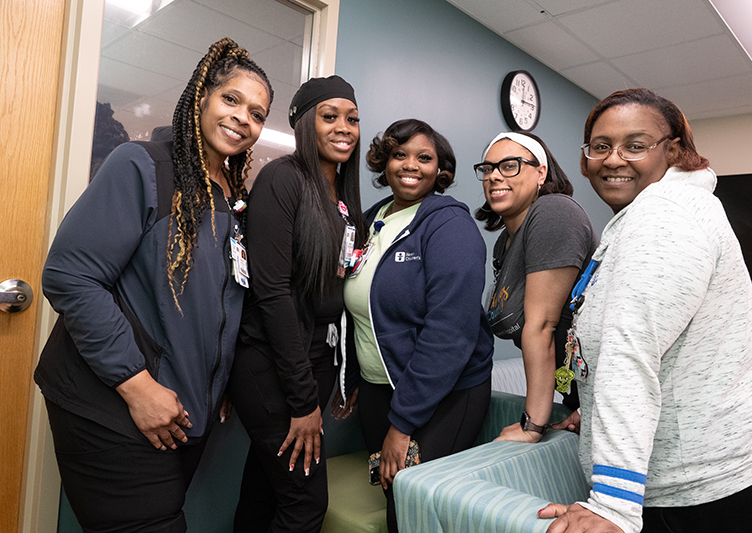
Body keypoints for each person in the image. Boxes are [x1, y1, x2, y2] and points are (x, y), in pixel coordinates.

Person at [34, 38, 272, 532]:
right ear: (202, 97)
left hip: (181, 417)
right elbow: (70, 275)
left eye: (257, 112)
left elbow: (217, 302)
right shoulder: (143, 166)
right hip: (115, 407)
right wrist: (138, 386)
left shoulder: (233, 197)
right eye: (231, 99)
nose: (243, 118)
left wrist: (216, 377)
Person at [538, 88, 752, 533]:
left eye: (635, 146)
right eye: (601, 147)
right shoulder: (658, 212)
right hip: (746, 459)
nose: (614, 159)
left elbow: (630, 353)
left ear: (674, 150)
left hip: (710, 487)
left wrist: (612, 507)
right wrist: (600, 409)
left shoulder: (663, 214)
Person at [338, 118, 494, 533]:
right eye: (399, 155)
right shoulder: (370, 221)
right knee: (390, 488)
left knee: (411, 503)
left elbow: (450, 332)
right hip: (379, 390)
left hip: (444, 394)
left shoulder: (449, 226)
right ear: (384, 164)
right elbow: (359, 311)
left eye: (424, 158)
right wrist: (354, 377)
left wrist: (403, 424)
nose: (411, 165)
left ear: (440, 169)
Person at [227, 75, 367, 532]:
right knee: (306, 503)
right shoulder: (282, 179)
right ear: (306, 124)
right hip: (271, 364)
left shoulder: (343, 198)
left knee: (266, 489)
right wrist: (304, 401)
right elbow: (273, 293)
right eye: (330, 117)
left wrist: (342, 375)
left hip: (315, 360)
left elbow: (340, 294)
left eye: (352, 119)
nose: (343, 127)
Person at [474, 131, 597, 444]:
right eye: (487, 169)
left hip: (613, 393)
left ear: (541, 172)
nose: (494, 176)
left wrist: (532, 426)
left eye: (510, 165)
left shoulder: (554, 212)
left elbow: (542, 324)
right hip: (580, 398)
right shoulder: (504, 243)